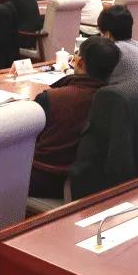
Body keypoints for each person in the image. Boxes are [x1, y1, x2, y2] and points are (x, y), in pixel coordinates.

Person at [28, 36, 120, 198]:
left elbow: (27, 139)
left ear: (81, 62)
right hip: (88, 181)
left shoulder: (52, 98)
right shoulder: (115, 100)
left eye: (76, 54)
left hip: (43, 179)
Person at [97, 5, 138, 84]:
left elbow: (93, 75)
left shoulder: (112, 51)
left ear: (107, 34)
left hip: (129, 91)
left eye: (100, 31)